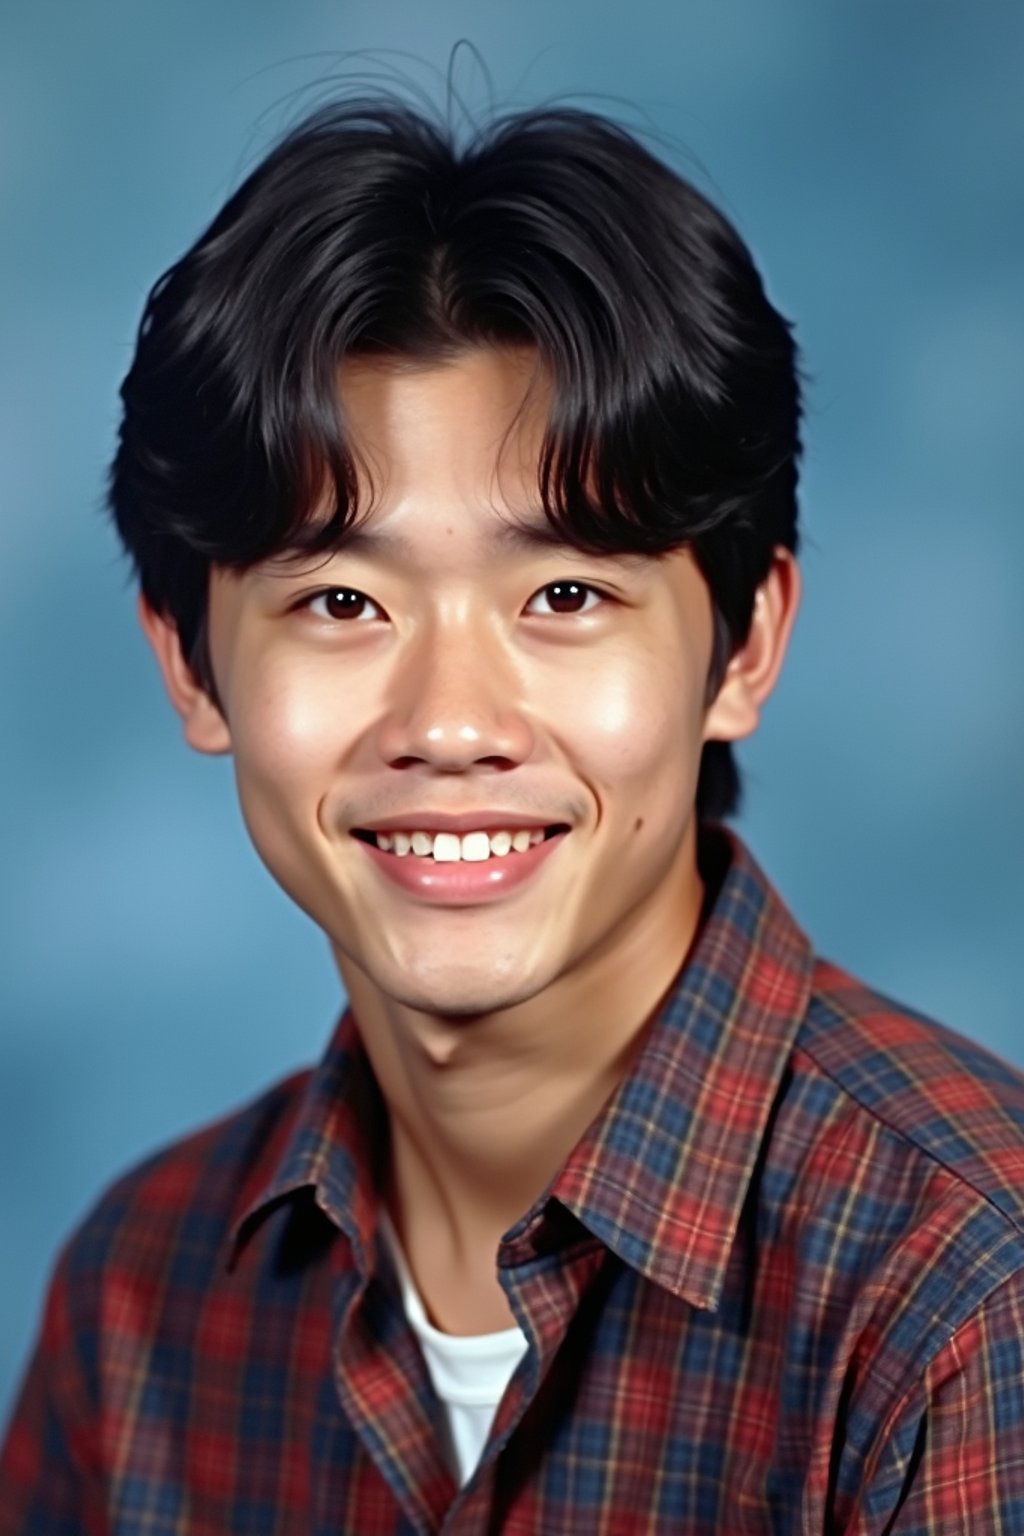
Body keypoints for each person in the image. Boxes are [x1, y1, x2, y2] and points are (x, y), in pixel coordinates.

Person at [2, 96, 1023, 1536]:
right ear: (191, 659)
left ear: (743, 647)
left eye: (565, 596)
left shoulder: (965, 1298)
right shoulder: (143, 1302)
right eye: (342, 602)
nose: (452, 725)